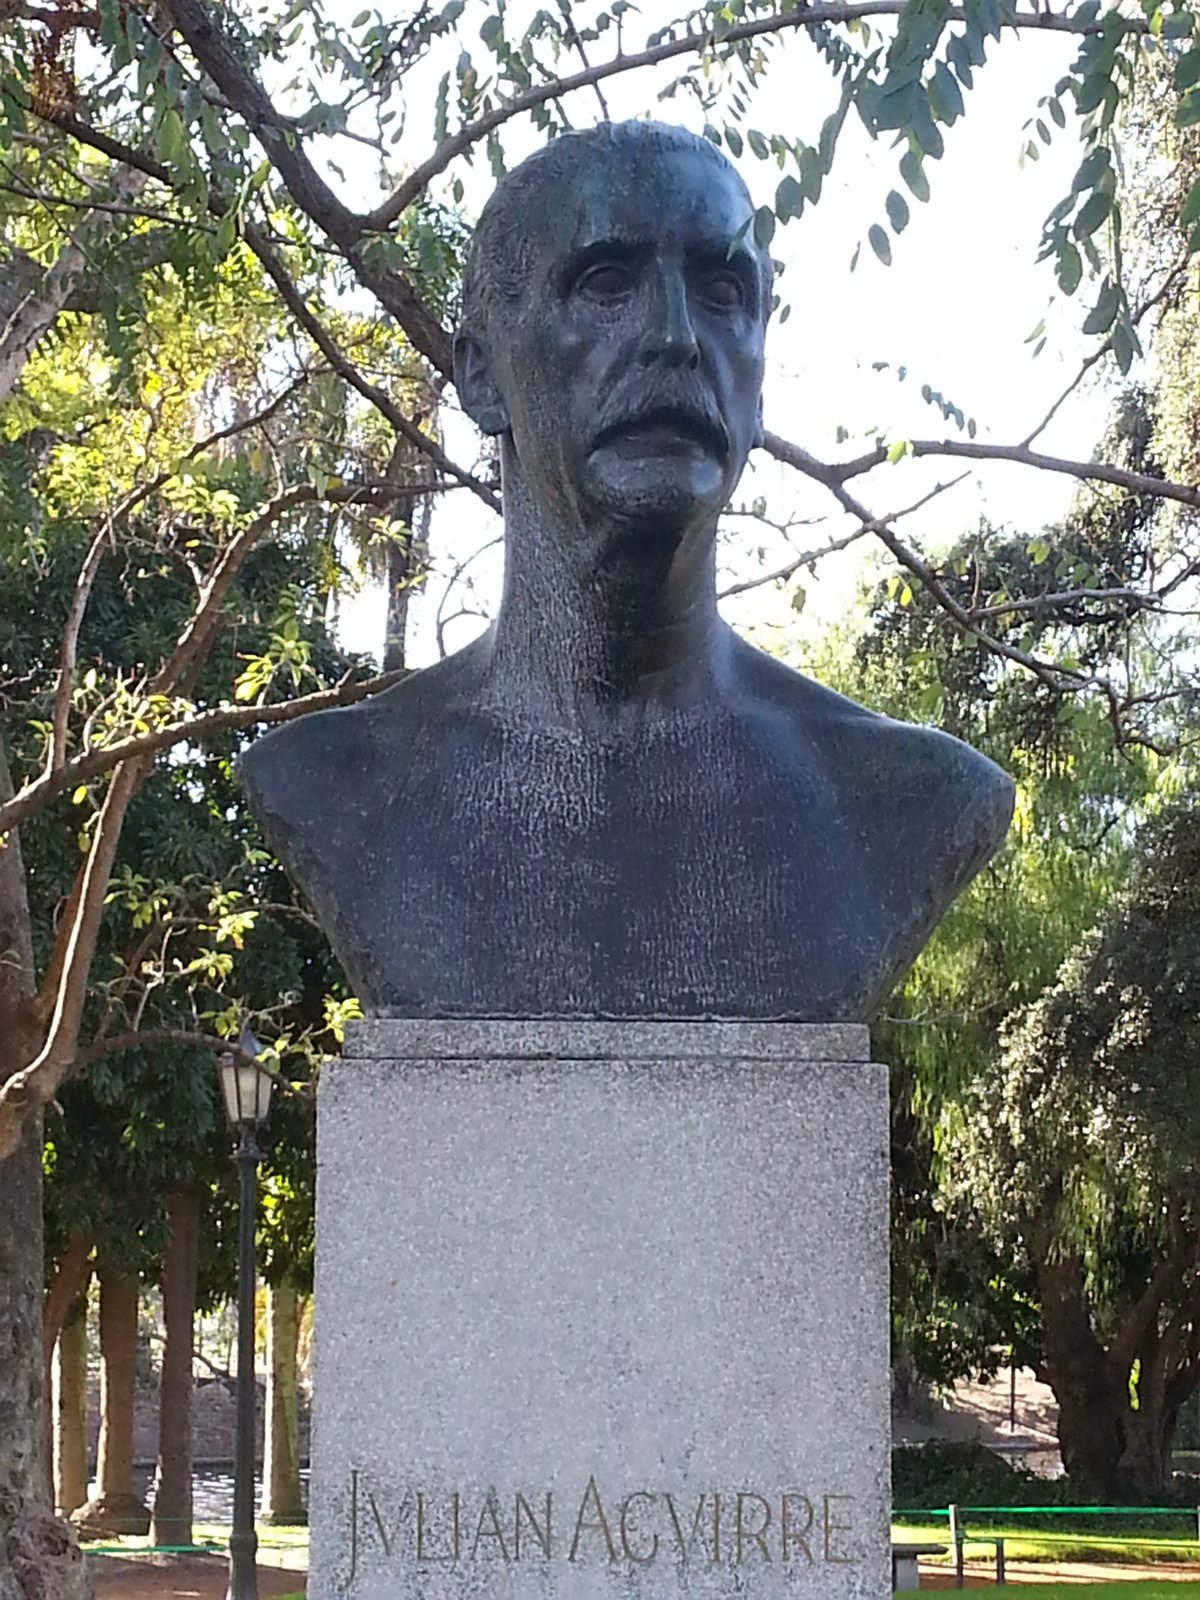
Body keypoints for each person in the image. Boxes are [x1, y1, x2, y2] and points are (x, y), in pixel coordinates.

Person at [240, 120, 1013, 1020]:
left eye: (724, 291)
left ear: (760, 377)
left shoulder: (899, 805)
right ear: (482, 376)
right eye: (606, 284)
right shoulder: (338, 788)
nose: (678, 340)